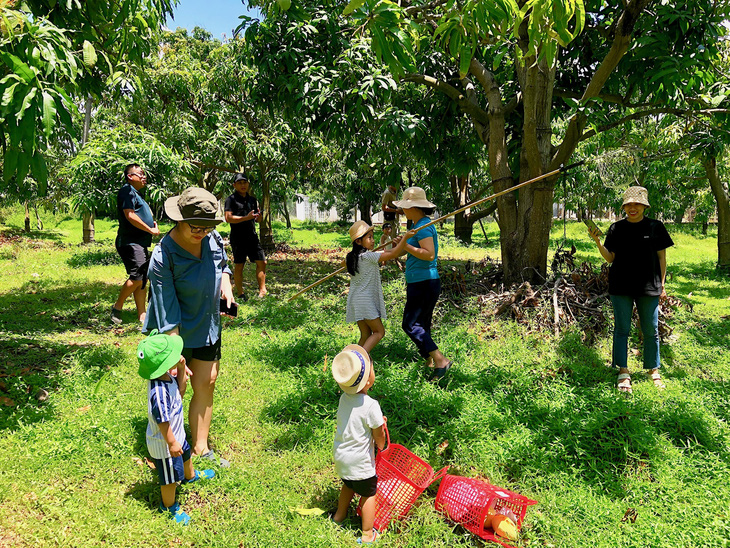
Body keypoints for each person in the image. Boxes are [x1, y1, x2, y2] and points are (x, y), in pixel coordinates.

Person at [144, 187, 234, 467]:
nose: (201, 232)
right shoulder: (163, 256)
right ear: (179, 219)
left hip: (207, 323)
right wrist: (176, 356)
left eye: (207, 227)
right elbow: (166, 310)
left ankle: (201, 448)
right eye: (195, 226)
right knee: (174, 389)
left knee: (207, 382)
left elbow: (222, 264)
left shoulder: (212, 238)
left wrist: (226, 283)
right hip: (176, 331)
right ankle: (169, 446)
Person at [588, 186, 674, 394]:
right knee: (621, 329)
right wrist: (598, 241)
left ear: (644, 205)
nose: (632, 208)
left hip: (649, 287)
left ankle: (653, 370)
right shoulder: (616, 229)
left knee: (650, 330)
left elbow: (662, 258)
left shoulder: (656, 227)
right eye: (628, 204)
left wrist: (662, 285)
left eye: (636, 204)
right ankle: (623, 370)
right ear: (624, 206)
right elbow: (611, 258)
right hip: (621, 286)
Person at [137, 330, 215, 525]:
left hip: (177, 434)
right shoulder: (158, 393)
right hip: (165, 444)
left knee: (186, 455)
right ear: (163, 364)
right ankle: (169, 506)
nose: (179, 356)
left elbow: (180, 391)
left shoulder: (165, 377)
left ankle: (191, 476)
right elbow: (162, 421)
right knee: (169, 478)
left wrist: (181, 368)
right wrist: (171, 443)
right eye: (173, 355)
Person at [392, 187, 452, 378]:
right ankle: (430, 361)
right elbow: (407, 251)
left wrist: (407, 244)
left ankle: (440, 359)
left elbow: (429, 254)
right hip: (421, 281)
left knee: (410, 324)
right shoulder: (416, 226)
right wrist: (401, 244)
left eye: (405, 207)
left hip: (424, 281)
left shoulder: (424, 226)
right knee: (423, 324)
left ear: (415, 207)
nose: (403, 210)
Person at [330, 344, 386, 545]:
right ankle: (367, 532)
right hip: (360, 462)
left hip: (342, 456)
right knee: (369, 494)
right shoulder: (371, 405)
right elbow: (378, 434)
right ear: (369, 379)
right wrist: (381, 444)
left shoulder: (344, 399)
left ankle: (339, 516)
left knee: (348, 484)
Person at [345, 221, 414, 355]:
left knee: (365, 334)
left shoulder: (351, 257)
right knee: (379, 332)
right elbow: (393, 254)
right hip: (365, 301)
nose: (373, 240)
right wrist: (404, 239)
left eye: (372, 237)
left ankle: (353, 360)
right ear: (359, 241)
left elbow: (391, 252)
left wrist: (396, 245)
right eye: (369, 237)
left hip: (355, 300)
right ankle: (359, 358)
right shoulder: (369, 257)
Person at [112, 164, 160, 324]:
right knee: (138, 277)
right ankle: (117, 307)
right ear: (130, 177)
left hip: (139, 242)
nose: (144, 177)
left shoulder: (135, 193)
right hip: (130, 241)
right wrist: (150, 229)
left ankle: (142, 315)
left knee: (142, 278)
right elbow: (130, 215)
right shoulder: (127, 191)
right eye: (140, 174)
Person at [224, 173, 267, 299]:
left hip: (252, 236)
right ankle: (240, 293)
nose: (243, 185)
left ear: (248, 184)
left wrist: (258, 218)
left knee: (262, 261)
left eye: (245, 182)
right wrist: (245, 218)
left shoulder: (252, 200)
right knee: (239, 265)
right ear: (234, 185)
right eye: (240, 183)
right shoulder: (230, 200)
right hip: (238, 238)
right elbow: (228, 218)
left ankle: (262, 291)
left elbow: (258, 220)